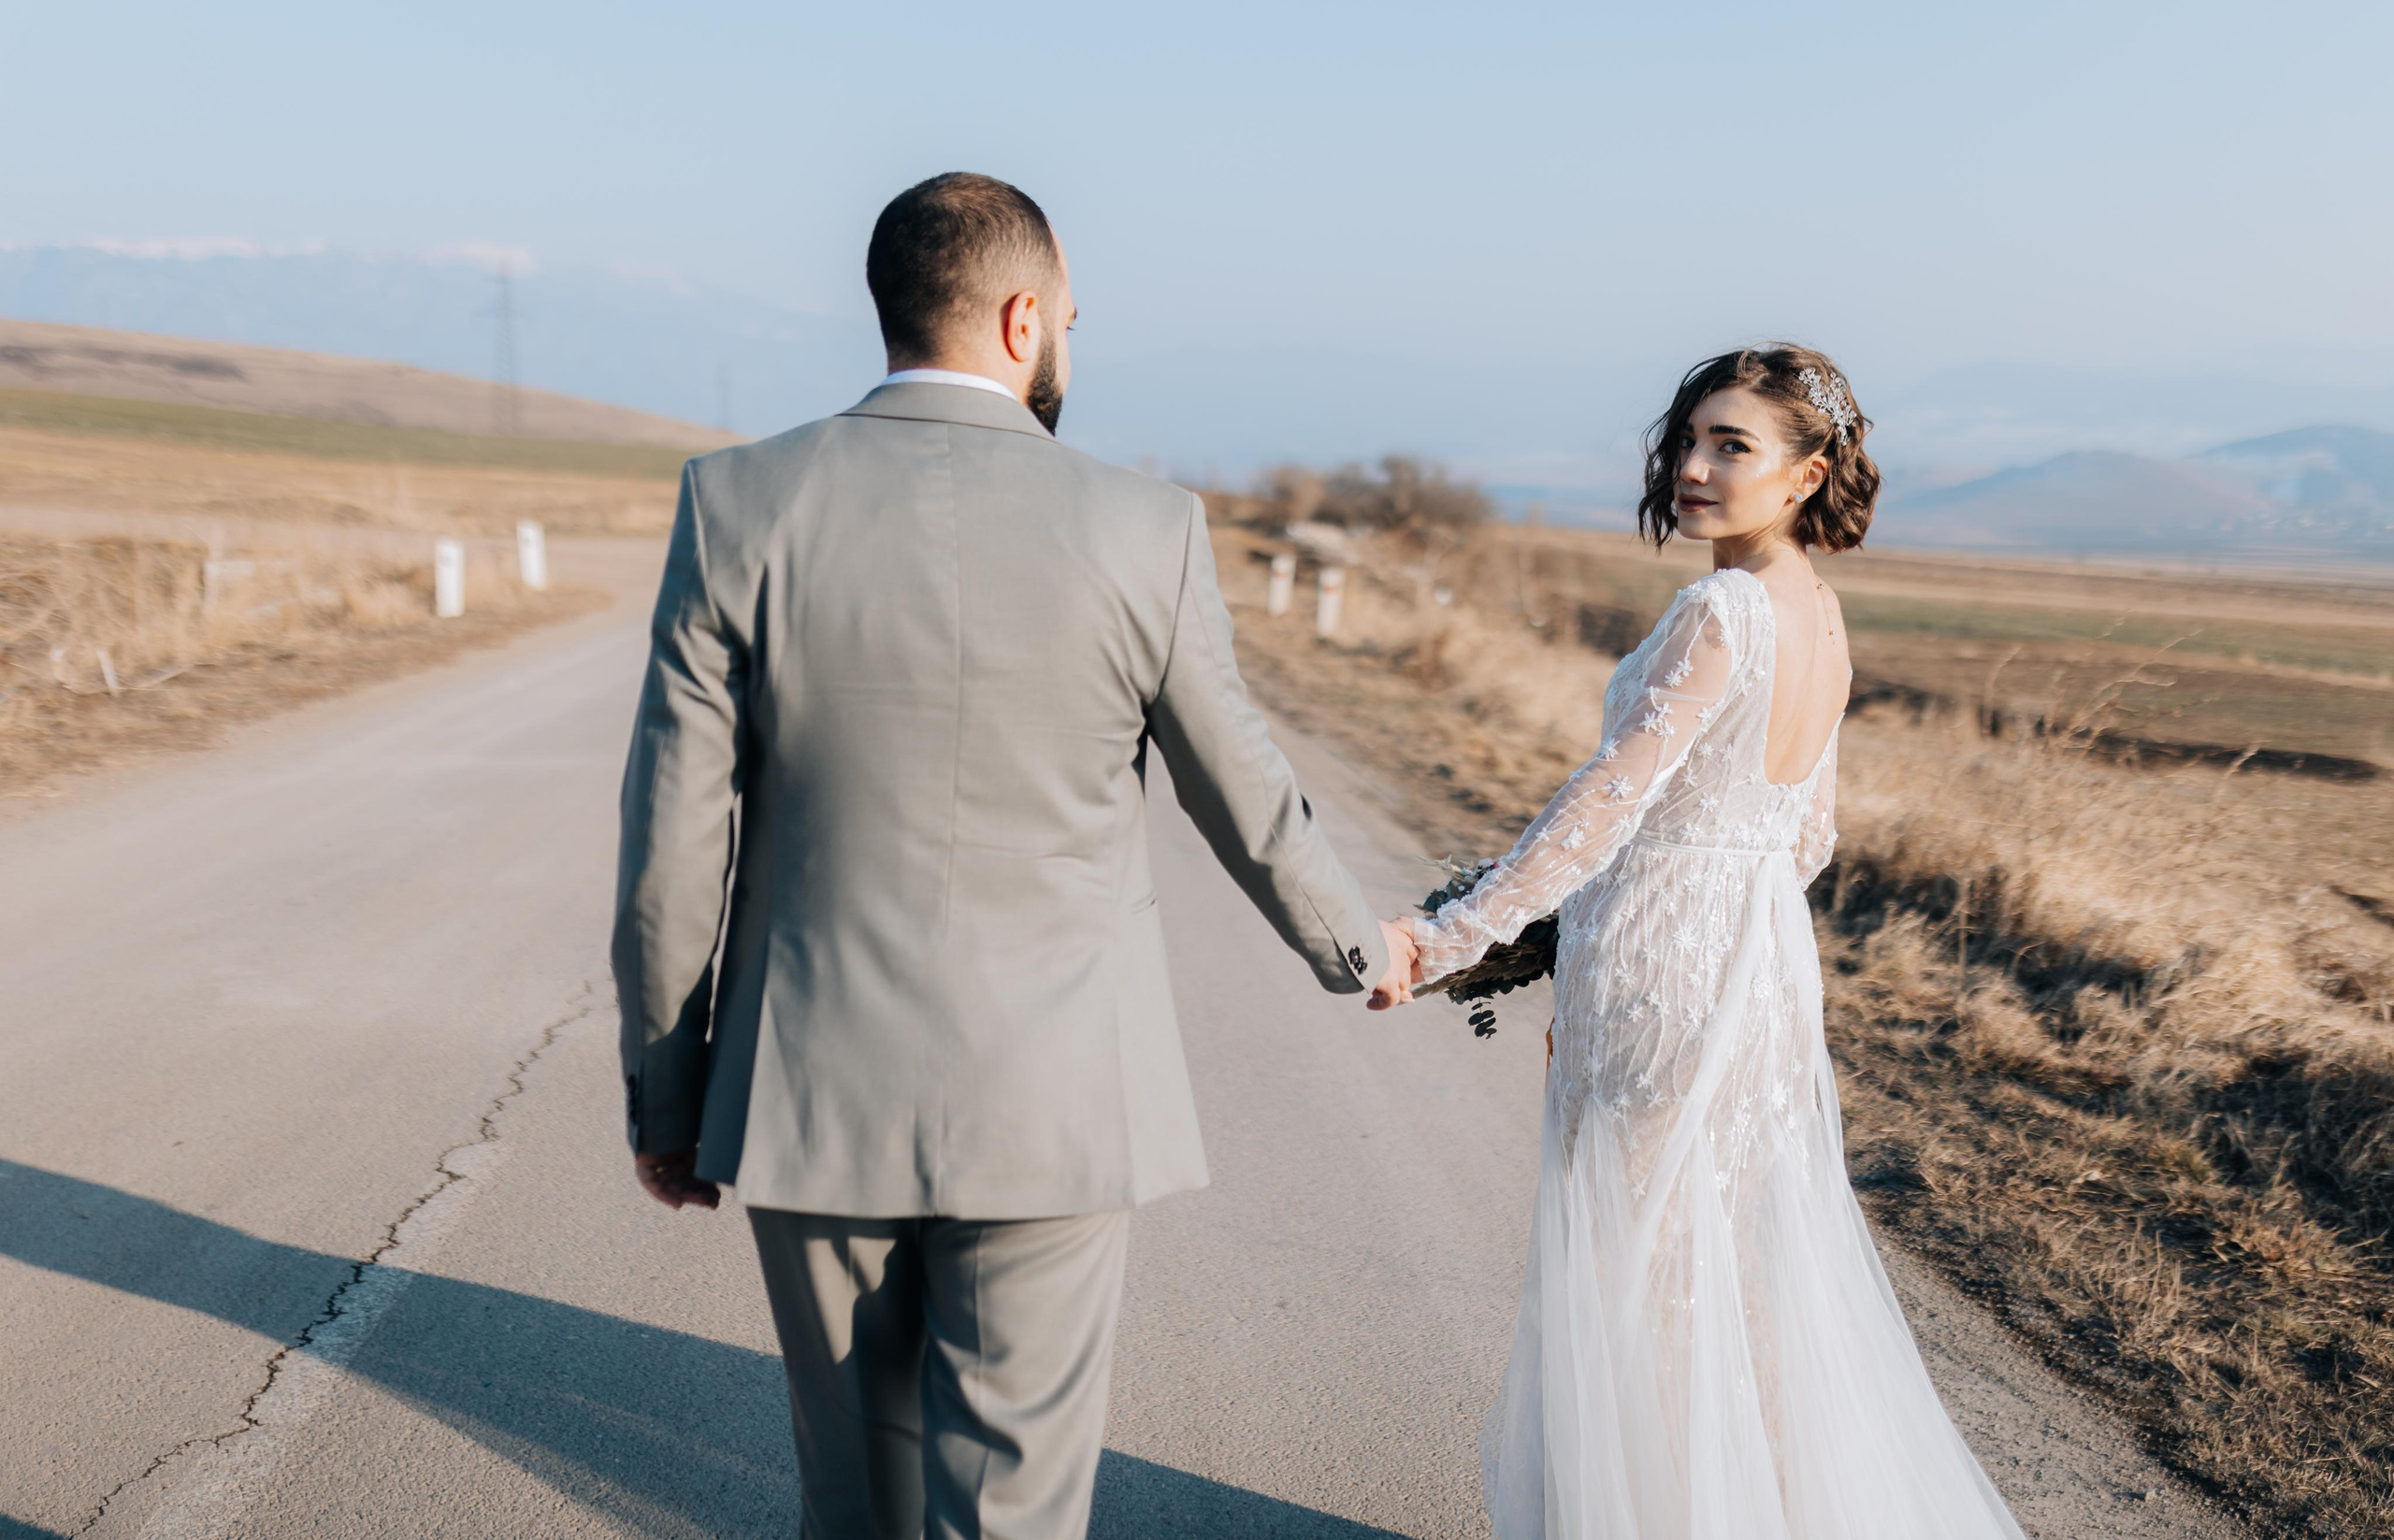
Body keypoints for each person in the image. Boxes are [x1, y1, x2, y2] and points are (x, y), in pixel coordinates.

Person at [611, 171, 1416, 1539]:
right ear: (1025, 315)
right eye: (1072, 319)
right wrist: (1360, 944)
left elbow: (671, 838)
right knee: (1017, 1505)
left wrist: (668, 1097)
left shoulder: (736, 501)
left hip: (809, 1089)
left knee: (850, 1500)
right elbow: (1249, 794)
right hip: (1057, 1093)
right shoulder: (1144, 526)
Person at [1391, 347, 2027, 1539]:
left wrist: (1450, 937)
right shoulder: (1818, 616)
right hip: (1757, 959)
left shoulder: (1717, 610)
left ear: (1805, 475)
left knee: (1641, 1278)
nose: (1690, 467)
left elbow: (1601, 807)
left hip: (1660, 966)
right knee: (1726, 1271)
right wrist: (1707, 901)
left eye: (1730, 446)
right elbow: (1807, 840)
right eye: (1687, 439)